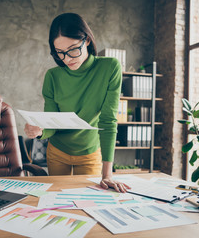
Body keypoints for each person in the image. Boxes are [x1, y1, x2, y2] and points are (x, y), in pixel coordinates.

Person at [24, 13, 130, 193]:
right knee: (56, 200)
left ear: (87, 40)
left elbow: (108, 121)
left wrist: (107, 174)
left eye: (73, 49)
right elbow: (52, 121)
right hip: (57, 151)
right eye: (60, 53)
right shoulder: (52, 76)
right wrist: (40, 130)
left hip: (90, 152)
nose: (67, 58)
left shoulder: (110, 67)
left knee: (89, 202)